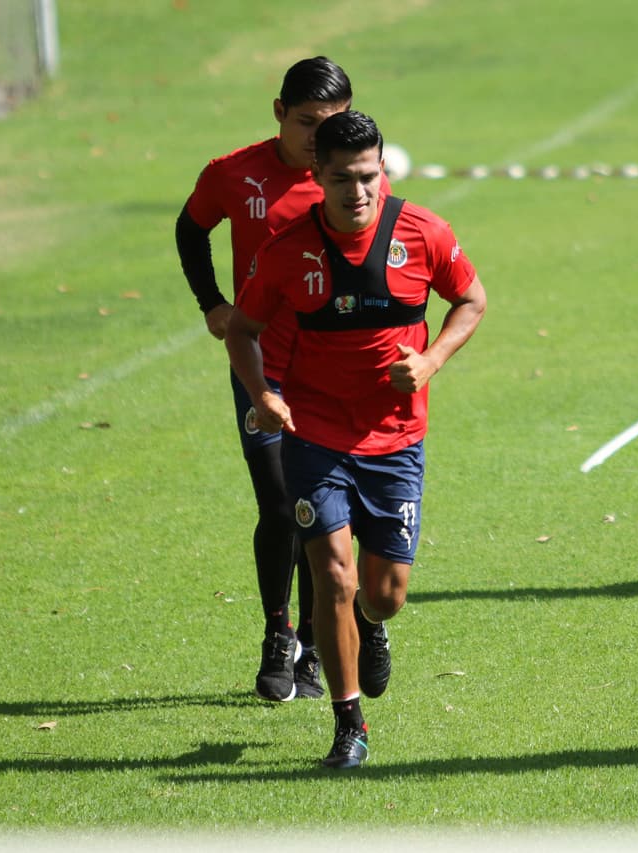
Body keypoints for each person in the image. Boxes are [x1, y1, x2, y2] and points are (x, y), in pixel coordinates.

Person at [225, 111, 486, 768]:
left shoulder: (423, 233)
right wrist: (264, 396)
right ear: (318, 178)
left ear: (383, 171)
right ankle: (349, 724)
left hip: (396, 440)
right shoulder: (288, 248)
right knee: (331, 574)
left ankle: (371, 626)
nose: (358, 192)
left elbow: (472, 300)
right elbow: (243, 329)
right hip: (315, 437)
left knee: (385, 591)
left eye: (368, 177)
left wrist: (430, 363)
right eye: (342, 179)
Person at [176, 57, 393, 703]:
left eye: (334, 124)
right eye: (307, 124)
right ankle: (280, 633)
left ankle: (325, 643)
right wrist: (211, 303)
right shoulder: (233, 173)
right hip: (262, 368)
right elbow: (191, 229)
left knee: (323, 512)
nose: (321, 139)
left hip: (334, 373)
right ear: (278, 112)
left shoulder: (351, 178)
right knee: (279, 503)